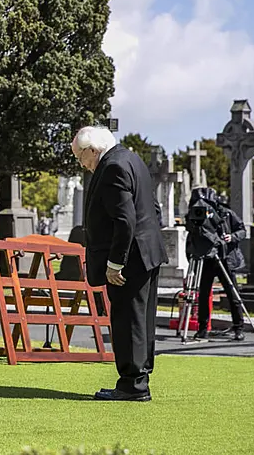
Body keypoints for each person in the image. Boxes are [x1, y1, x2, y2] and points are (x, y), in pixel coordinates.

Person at [72, 126, 167, 402]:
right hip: (146, 251)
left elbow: (125, 220)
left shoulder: (112, 166)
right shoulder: (131, 159)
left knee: (128, 320)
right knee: (141, 319)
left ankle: (131, 385)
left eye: (81, 157)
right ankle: (139, 379)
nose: (83, 164)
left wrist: (115, 263)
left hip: (130, 257)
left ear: (92, 149)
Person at [187, 189, 246, 341]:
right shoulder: (195, 216)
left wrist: (231, 237)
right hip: (206, 258)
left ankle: (239, 327)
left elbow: (242, 230)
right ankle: (202, 328)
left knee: (232, 293)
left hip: (224, 258)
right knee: (203, 295)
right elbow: (191, 238)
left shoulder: (226, 214)